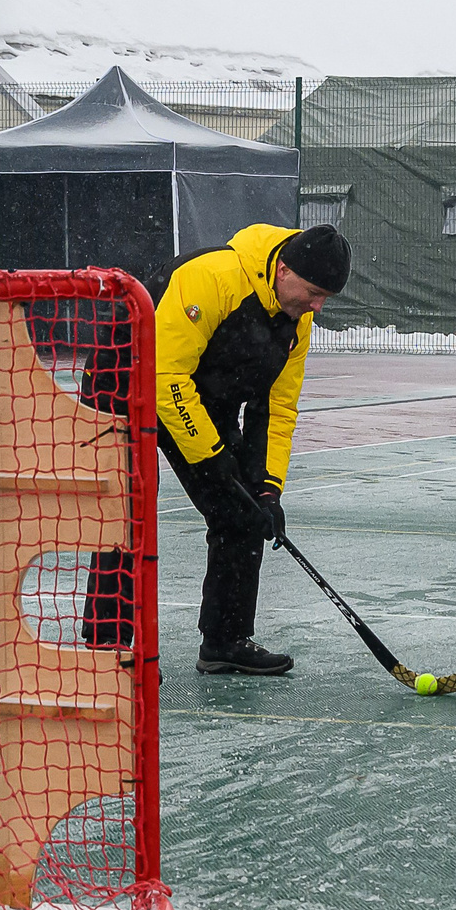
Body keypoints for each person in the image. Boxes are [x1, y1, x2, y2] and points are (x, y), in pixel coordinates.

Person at [152, 223, 349, 675]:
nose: (317, 306)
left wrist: (267, 489)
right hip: (128, 382)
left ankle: (225, 640)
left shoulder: (297, 321)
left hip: (201, 396)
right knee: (119, 518)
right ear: (283, 270)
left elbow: (277, 408)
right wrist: (211, 455)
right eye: (314, 292)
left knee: (242, 514)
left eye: (326, 298)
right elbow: (165, 375)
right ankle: (108, 645)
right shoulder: (214, 276)